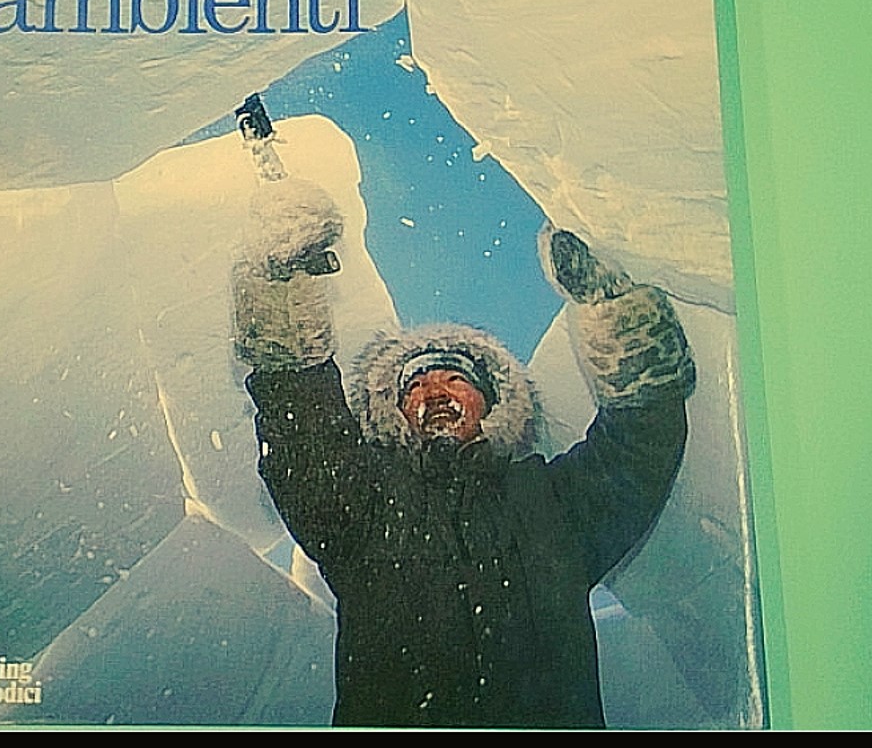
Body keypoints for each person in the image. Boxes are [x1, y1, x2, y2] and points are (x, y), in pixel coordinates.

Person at [231, 178, 695, 728]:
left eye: (455, 379)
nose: (434, 391)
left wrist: (609, 306)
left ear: (491, 402)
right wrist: (283, 288)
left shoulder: (552, 504)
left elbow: (641, 444)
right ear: (397, 412)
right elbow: (303, 436)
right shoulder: (364, 506)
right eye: (415, 386)